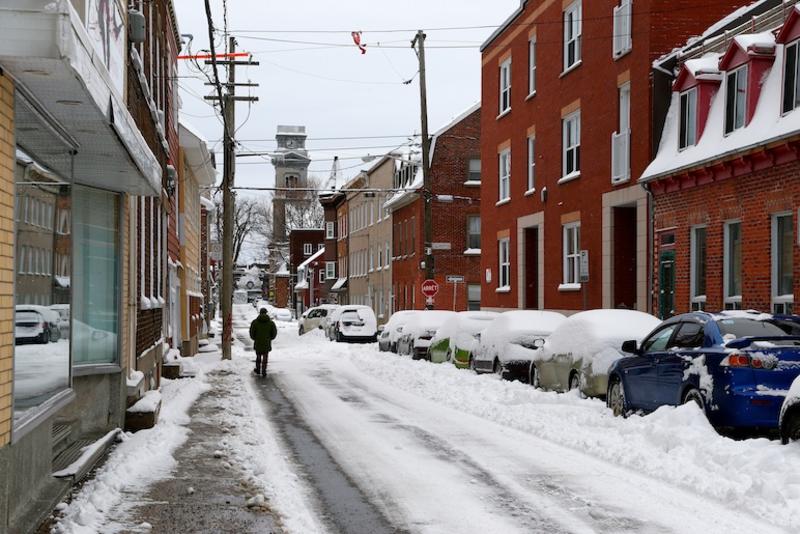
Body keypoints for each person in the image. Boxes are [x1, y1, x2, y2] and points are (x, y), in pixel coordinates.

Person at [249, 308, 278, 376]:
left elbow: (251, 332)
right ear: (266, 313)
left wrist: (255, 338)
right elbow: (274, 333)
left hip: (258, 342)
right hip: (267, 343)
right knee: (265, 357)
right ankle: (264, 370)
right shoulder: (270, 323)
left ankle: (258, 369)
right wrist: (270, 338)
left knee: (258, 356)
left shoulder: (255, 322)